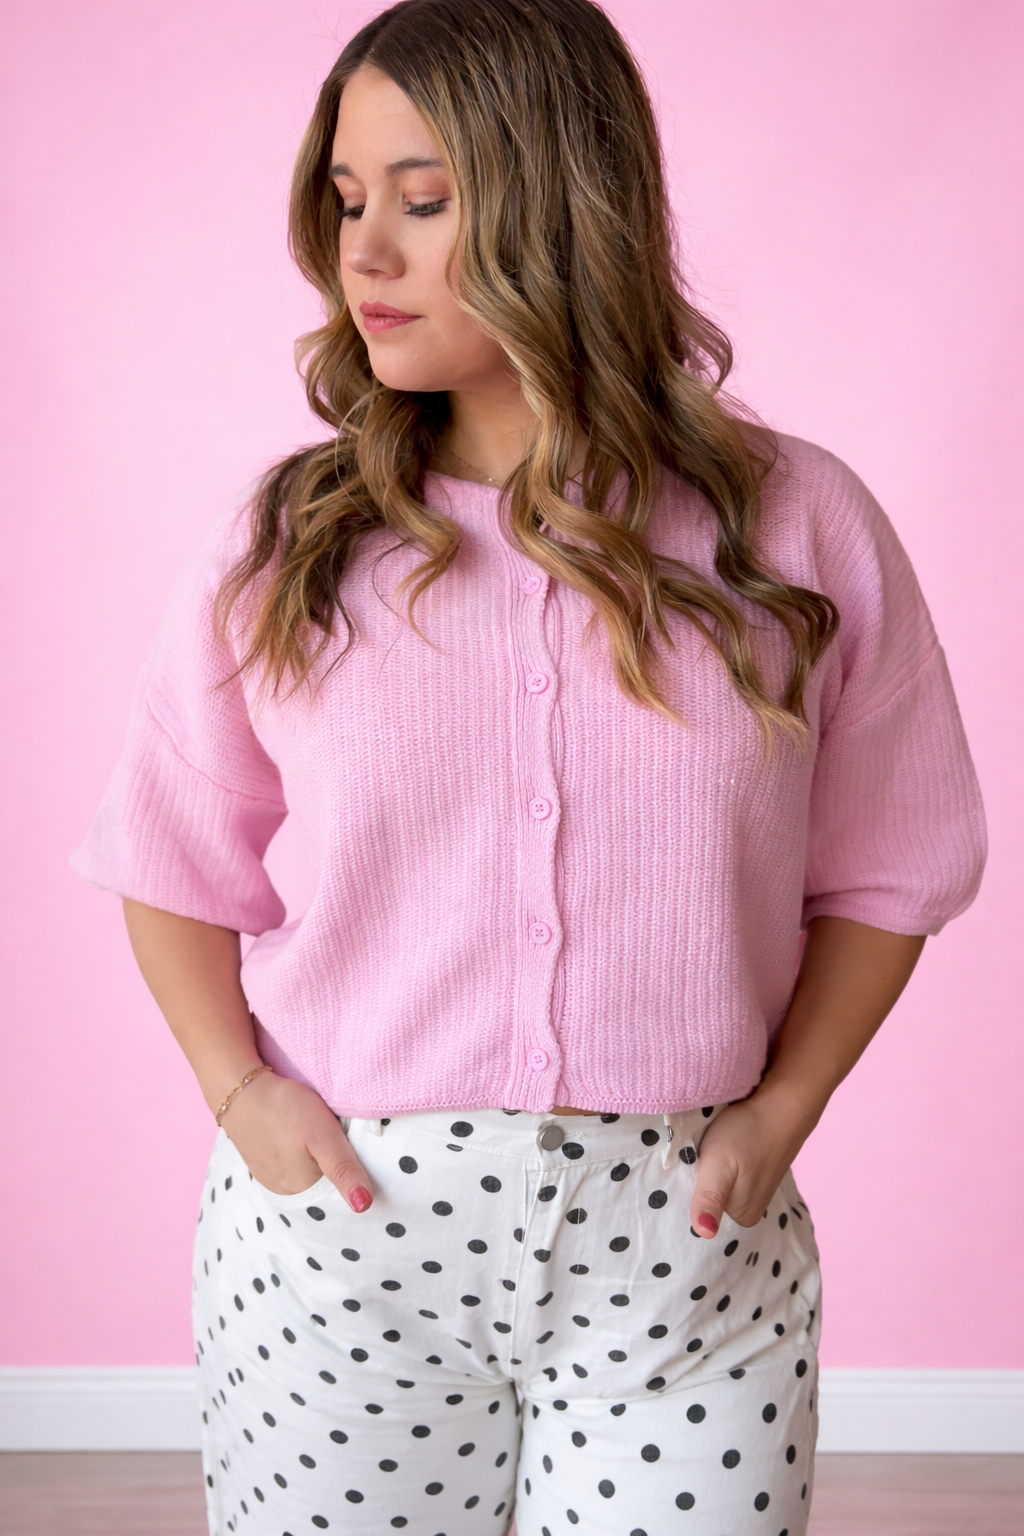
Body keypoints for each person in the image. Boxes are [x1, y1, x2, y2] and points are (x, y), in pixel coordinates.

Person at [71, 1, 986, 1531]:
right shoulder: (289, 543)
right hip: (343, 1246)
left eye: (424, 201)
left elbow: (897, 865)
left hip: (686, 1255)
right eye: (346, 202)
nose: (365, 253)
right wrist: (242, 1099)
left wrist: (785, 1110)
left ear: (566, 206)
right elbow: (165, 860)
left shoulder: (794, 527)